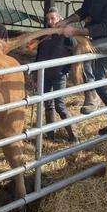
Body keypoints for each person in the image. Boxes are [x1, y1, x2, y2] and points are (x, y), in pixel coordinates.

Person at [35, 8, 79, 142]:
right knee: (48, 104)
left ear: (59, 18)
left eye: (53, 18)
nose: (50, 22)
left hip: (58, 74)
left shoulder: (66, 35)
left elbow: (74, 53)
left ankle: (73, 135)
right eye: (48, 19)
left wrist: (65, 70)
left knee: (59, 105)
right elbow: (38, 55)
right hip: (44, 74)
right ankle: (50, 134)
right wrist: (35, 73)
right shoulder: (44, 35)